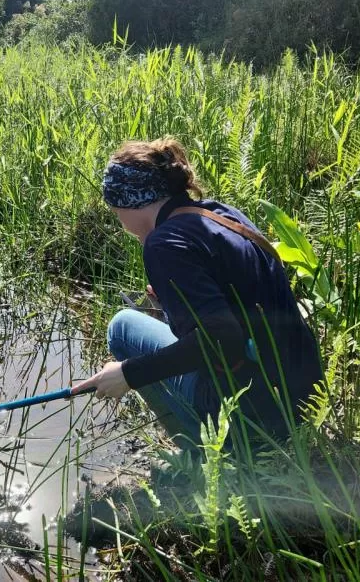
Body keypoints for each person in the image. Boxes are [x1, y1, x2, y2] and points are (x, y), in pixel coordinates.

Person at [72, 137, 322, 453]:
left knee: (122, 327)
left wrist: (128, 374)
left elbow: (223, 338)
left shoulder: (163, 244)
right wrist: (172, 308)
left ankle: (204, 456)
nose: (119, 221)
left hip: (253, 417)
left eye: (115, 210)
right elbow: (235, 308)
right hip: (304, 400)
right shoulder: (220, 214)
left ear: (130, 203)